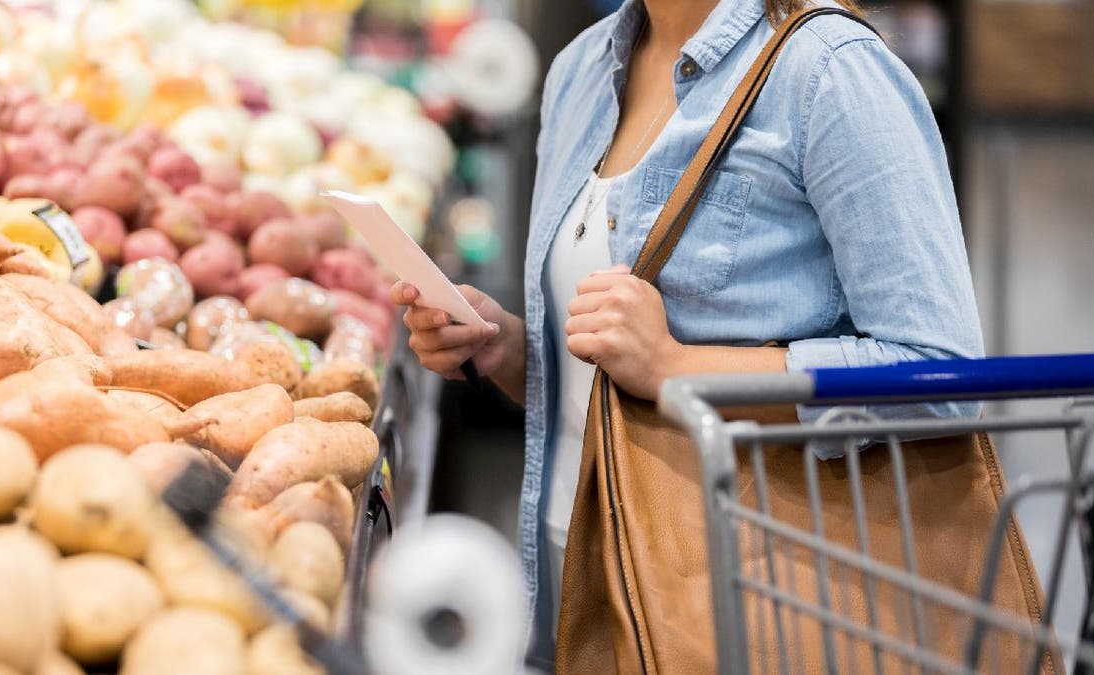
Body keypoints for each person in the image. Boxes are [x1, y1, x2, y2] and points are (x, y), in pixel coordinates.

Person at [391, 0, 983, 668]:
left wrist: (677, 365)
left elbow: (942, 373)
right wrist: (510, 349)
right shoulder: (580, 72)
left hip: (751, 606)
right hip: (571, 587)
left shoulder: (830, 74)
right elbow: (609, 378)